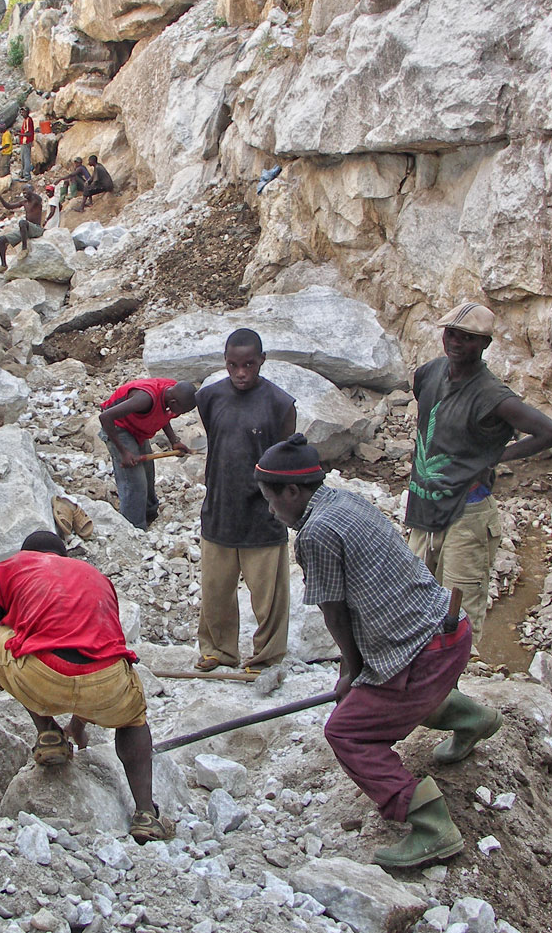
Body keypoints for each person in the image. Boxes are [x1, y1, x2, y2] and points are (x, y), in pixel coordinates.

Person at [256, 435, 503, 869]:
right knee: (398, 695)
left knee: (347, 731)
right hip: (451, 630)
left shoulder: (317, 533)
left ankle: (430, 824)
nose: (271, 511)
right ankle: (474, 719)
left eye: (271, 500)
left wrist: (353, 675)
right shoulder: (344, 502)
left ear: (292, 491)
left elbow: (335, 616)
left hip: (423, 654)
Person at [0, 530, 174, 843]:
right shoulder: (95, 577)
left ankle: (48, 733)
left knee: (7, 634)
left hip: (42, 676)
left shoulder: (7, 571)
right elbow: (93, 652)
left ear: (26, 554)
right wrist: (80, 724)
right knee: (133, 718)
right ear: (64, 558)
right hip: (107, 683)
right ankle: (145, 813)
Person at [405, 303, 552, 646]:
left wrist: (494, 457)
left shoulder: (492, 395)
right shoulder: (429, 374)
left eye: (469, 338)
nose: (457, 343)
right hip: (425, 507)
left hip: (468, 513)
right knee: (416, 598)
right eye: (452, 334)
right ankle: (425, 681)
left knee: (458, 611)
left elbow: (551, 433)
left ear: (485, 345)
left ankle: (456, 684)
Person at [194, 329, 297, 673]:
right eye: (233, 365)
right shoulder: (209, 398)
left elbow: (286, 462)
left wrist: (283, 509)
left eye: (249, 364)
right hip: (220, 509)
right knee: (215, 590)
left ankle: (266, 656)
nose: (241, 372)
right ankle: (218, 650)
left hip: (263, 514)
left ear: (262, 361)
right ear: (225, 363)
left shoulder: (280, 405)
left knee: (269, 596)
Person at [99, 378, 197, 529]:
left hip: (137, 428)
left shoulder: (172, 393)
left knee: (148, 471)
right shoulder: (144, 399)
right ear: (173, 403)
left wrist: (174, 441)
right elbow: (105, 417)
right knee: (134, 480)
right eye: (181, 411)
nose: (179, 414)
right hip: (118, 427)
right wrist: (124, 452)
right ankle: (134, 527)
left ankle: (150, 514)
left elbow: (163, 414)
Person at [0, 187, 45, 271]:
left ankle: (24, 249)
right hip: (26, 229)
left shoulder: (36, 201)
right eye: (23, 193)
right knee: (2, 239)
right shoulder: (24, 202)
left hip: (36, 228)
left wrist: (31, 192)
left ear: (31, 192)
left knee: (22, 222)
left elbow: (39, 199)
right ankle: (3, 265)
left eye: (26, 192)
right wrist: (0, 197)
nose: (25, 194)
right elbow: (9, 206)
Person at [19, 106, 35, 181]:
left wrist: (19, 134)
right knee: (23, 158)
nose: (22, 113)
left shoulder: (28, 120)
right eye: (21, 112)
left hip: (26, 141)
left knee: (26, 159)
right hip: (24, 142)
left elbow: (29, 133)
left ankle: (27, 175)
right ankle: (22, 173)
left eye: (23, 112)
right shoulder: (26, 120)